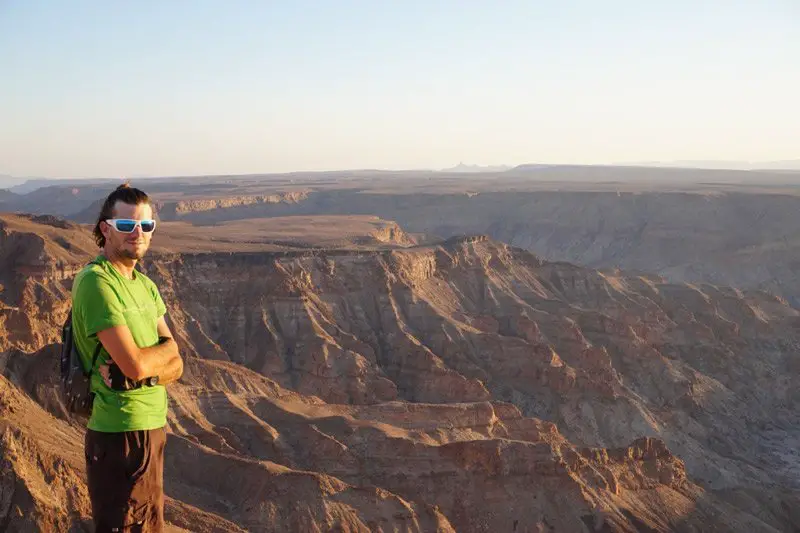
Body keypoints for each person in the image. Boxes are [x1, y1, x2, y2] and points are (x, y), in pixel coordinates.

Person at [71, 183, 183, 532]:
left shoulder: (143, 285)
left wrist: (146, 373)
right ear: (105, 229)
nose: (138, 233)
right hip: (119, 434)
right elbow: (133, 363)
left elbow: (177, 360)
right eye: (126, 225)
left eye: (146, 226)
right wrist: (151, 363)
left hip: (151, 427)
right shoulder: (96, 282)